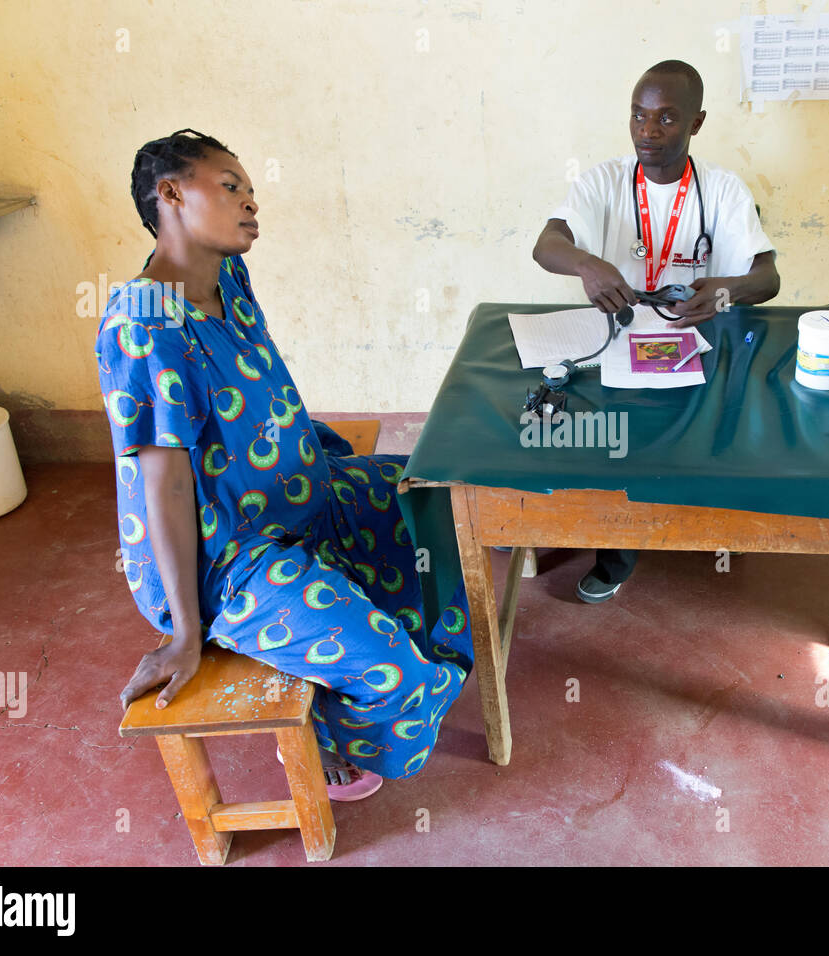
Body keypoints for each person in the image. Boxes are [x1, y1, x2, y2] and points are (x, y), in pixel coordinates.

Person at [98, 129, 473, 800]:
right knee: (395, 673)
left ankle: (376, 641)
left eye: (251, 191)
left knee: (429, 495)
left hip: (301, 494)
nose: (251, 204)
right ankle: (333, 728)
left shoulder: (228, 279)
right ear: (172, 193)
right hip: (229, 554)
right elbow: (165, 480)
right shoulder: (145, 322)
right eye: (231, 186)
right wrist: (186, 633)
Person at [532, 60, 780, 603]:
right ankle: (616, 550)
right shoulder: (603, 180)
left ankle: (706, 533)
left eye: (667, 118)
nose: (648, 131)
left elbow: (767, 277)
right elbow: (546, 245)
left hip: (693, 336)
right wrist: (585, 265)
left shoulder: (722, 188)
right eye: (639, 116)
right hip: (618, 333)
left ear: (697, 123)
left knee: (707, 433)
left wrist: (725, 291)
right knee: (606, 437)